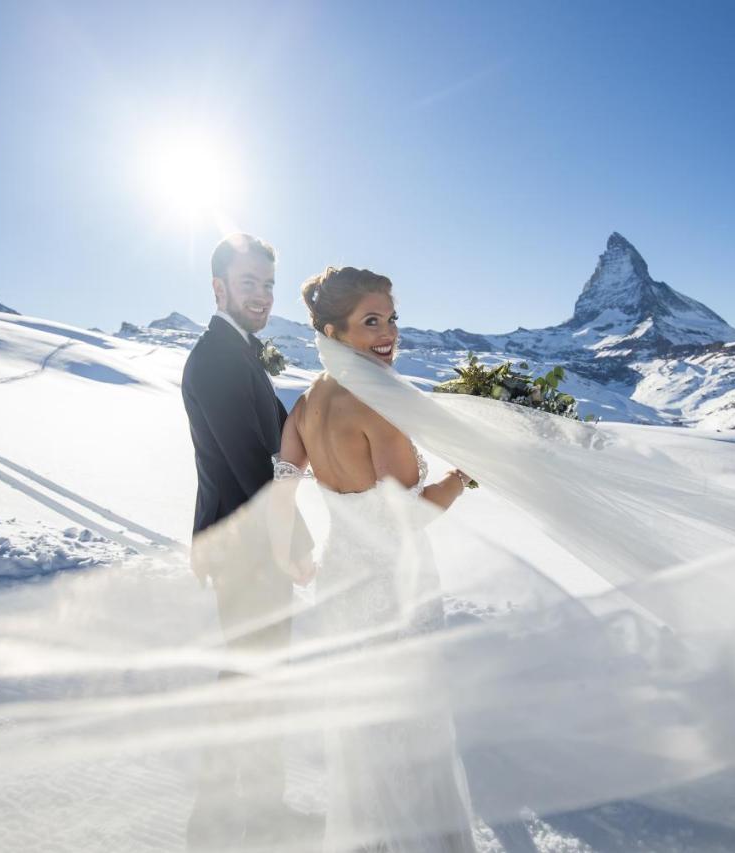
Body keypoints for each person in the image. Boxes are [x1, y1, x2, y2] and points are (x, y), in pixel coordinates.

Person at [273, 266, 478, 852]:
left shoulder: (306, 402)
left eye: (391, 319)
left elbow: (282, 489)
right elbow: (407, 520)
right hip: (396, 588)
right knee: (414, 735)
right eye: (370, 321)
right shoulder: (377, 407)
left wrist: (293, 553)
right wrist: (461, 478)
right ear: (333, 332)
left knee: (363, 737)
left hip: (340, 587)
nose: (388, 332)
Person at [180, 233, 319, 850]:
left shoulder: (235, 353)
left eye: (267, 284)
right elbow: (251, 469)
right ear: (219, 289)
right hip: (248, 548)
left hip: (242, 544)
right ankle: (234, 824)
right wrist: (299, 539)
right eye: (248, 283)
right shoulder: (217, 359)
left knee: (250, 683)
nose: (261, 295)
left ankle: (240, 818)